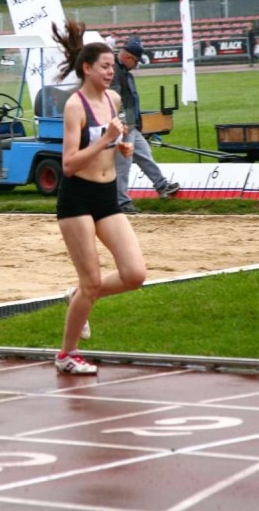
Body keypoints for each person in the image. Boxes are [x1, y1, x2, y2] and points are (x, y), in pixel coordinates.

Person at [52, 19, 146, 375]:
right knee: (91, 281)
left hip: (107, 197)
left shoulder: (113, 99)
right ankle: (67, 354)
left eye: (112, 67)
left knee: (134, 274)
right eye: (105, 67)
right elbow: (69, 164)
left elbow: (111, 140)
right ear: (87, 69)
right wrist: (106, 140)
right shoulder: (75, 107)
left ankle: (76, 296)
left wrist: (119, 147)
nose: (111, 72)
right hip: (76, 199)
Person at [109, 36, 180, 214]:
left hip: (132, 126)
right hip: (124, 127)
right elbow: (115, 99)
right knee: (123, 165)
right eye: (135, 61)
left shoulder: (124, 71)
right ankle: (122, 202)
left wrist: (137, 124)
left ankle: (162, 186)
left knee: (145, 155)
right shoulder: (114, 72)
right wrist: (122, 122)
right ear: (128, 57)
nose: (136, 65)